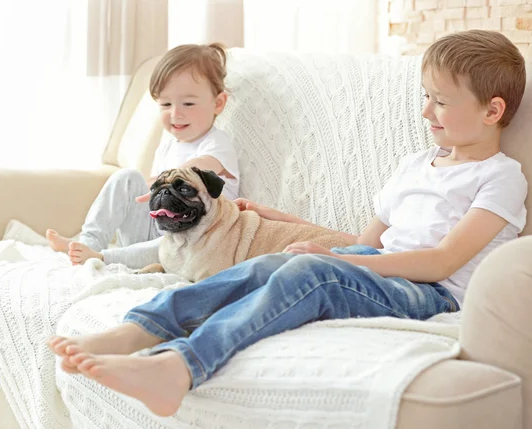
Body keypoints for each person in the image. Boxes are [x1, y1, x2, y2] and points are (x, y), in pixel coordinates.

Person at [49, 30, 528, 417]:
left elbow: (443, 260)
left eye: (440, 101)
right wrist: (293, 224)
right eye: (426, 97)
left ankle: (179, 368)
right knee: (276, 262)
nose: (426, 111)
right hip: (377, 267)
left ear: (492, 110)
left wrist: (339, 260)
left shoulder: (500, 178)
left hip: (429, 291)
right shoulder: (414, 165)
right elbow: (359, 244)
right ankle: (137, 331)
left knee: (306, 273)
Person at [46, 43, 240, 268]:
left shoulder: (217, 143)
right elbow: (152, 187)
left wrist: (163, 183)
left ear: (218, 103)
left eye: (188, 103)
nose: (176, 113)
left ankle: (102, 258)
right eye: (165, 104)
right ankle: (88, 244)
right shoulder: (168, 145)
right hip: (158, 230)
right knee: (127, 177)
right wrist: (141, 188)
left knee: (165, 240)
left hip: (195, 241)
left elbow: (196, 170)